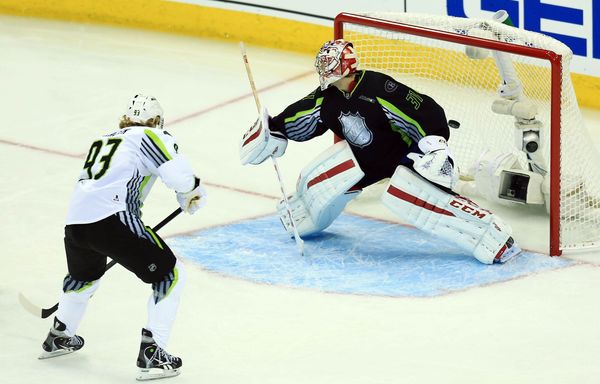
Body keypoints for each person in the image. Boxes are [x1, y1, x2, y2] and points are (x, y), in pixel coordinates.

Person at [240, 39, 520, 265]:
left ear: (345, 66)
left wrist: (434, 143)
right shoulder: (327, 98)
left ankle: (493, 236)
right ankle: (300, 215)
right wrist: (274, 129)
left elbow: (425, 109)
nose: (324, 70)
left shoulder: (378, 87)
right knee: (316, 182)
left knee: (407, 195)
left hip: (403, 156)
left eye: (329, 65)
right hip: (367, 160)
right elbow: (302, 115)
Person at [40, 94, 207, 381]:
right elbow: (179, 177)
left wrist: (186, 193)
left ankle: (60, 335)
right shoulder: (150, 135)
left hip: (76, 223)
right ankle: (153, 352)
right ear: (155, 121)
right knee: (169, 276)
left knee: (84, 277)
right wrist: (191, 190)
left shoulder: (105, 139)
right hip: (113, 218)